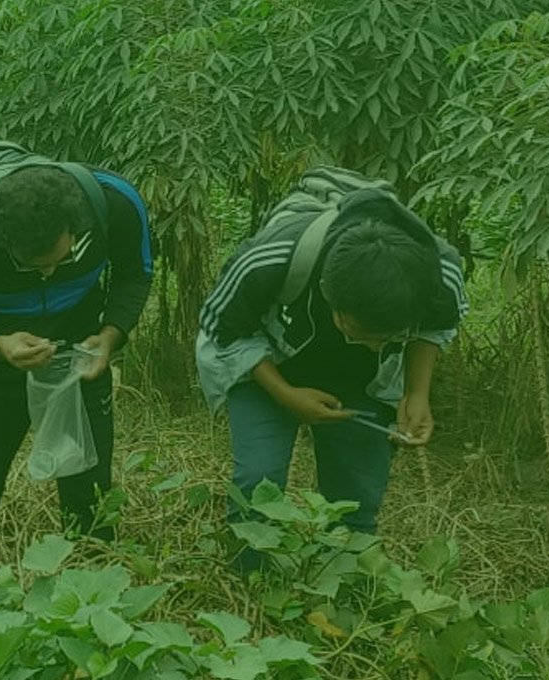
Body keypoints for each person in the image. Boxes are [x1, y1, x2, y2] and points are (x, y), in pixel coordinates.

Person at [195, 179, 467, 570]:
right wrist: (285, 394)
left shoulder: (439, 276)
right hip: (269, 368)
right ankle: (249, 582)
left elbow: (434, 328)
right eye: (360, 333)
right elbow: (222, 328)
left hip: (363, 385)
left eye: (387, 338)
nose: (374, 347)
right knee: (258, 485)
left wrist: (416, 392)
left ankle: (342, 582)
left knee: (355, 499)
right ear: (326, 292)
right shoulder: (272, 258)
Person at [0, 160, 155, 558]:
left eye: (60, 260)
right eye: (30, 265)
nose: (46, 274)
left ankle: (93, 594)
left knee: (89, 492)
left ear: (76, 227)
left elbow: (136, 272)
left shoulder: (113, 202)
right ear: (1, 239)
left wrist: (110, 337)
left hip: (80, 361)